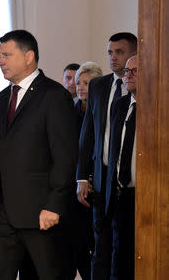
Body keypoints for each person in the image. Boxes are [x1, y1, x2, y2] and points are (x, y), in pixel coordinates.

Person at [0, 29, 78, 280]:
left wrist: (53, 206)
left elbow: (65, 156)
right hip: (2, 214)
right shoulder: (2, 98)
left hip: (41, 215)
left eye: (6, 55)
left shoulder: (55, 95)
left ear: (28, 56)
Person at [76, 32, 137, 280]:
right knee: (100, 246)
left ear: (133, 53)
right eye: (110, 52)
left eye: (119, 52)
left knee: (123, 248)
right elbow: (87, 133)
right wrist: (82, 176)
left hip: (129, 181)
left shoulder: (143, 88)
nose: (113, 58)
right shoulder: (99, 86)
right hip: (101, 178)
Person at [68, 62, 103, 279]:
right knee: (76, 245)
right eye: (78, 83)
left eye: (87, 84)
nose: (80, 87)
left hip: (96, 186)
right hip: (72, 187)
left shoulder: (103, 111)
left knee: (95, 244)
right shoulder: (69, 112)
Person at [104, 55, 138, 279]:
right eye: (126, 71)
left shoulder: (159, 108)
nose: (128, 75)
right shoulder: (121, 104)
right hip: (120, 193)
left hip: (146, 195)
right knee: (119, 256)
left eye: (134, 71)